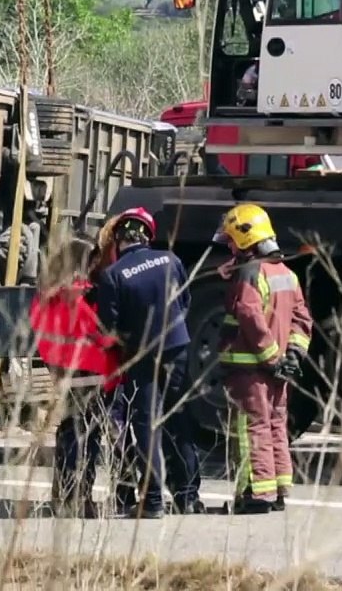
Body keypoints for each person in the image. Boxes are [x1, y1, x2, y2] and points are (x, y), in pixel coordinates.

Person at [94, 207, 204, 518]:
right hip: (179, 348)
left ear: (118, 240)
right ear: (147, 235)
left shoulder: (112, 275)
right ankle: (187, 497)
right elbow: (185, 302)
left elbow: (108, 329)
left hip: (142, 357)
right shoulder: (172, 261)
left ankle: (152, 500)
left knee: (148, 426)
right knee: (179, 419)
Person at [213, 203, 314, 515]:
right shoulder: (286, 274)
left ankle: (255, 494)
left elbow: (250, 317)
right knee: (275, 425)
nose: (229, 245)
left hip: (251, 369)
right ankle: (278, 490)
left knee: (252, 428)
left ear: (245, 239)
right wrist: (292, 357)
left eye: (232, 240)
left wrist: (270, 359)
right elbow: (301, 319)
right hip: (279, 369)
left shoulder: (250, 274)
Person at [30, 237, 124, 518]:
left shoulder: (45, 294)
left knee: (70, 432)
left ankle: (63, 496)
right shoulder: (84, 295)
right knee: (89, 437)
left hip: (64, 371)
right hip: (92, 371)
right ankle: (80, 497)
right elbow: (102, 336)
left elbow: (38, 330)